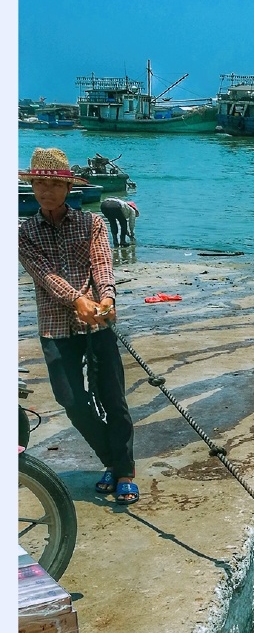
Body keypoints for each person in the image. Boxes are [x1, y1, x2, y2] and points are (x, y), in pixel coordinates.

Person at [18, 147, 139, 505]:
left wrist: (107, 300)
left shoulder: (93, 223)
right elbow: (45, 275)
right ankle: (114, 462)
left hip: (98, 323)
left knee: (112, 398)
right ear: (33, 186)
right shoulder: (23, 233)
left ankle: (125, 472)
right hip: (56, 327)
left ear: (69, 188)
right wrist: (77, 300)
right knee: (72, 400)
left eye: (55, 184)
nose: (47, 191)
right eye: (40, 184)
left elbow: (102, 265)